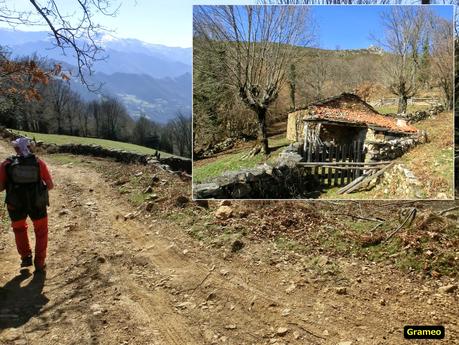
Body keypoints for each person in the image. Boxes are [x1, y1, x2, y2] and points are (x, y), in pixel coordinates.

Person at [0, 137, 54, 273]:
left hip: (15, 204)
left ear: (16, 149)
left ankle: (25, 257)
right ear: (30, 147)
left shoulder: (6, 163)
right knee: (41, 231)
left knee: (19, 230)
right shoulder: (38, 162)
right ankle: (40, 262)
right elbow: (50, 185)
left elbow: (0, 187)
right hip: (37, 203)